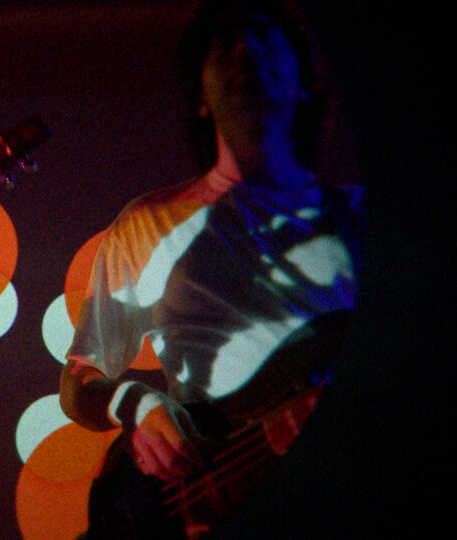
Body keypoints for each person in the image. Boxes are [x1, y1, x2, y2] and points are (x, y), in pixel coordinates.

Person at [59, 0, 363, 537]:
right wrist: (138, 404)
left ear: (304, 84)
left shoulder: (360, 220)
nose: (243, 49)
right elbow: (78, 380)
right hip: (196, 500)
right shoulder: (145, 225)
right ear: (199, 98)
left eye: (264, 36)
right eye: (224, 44)